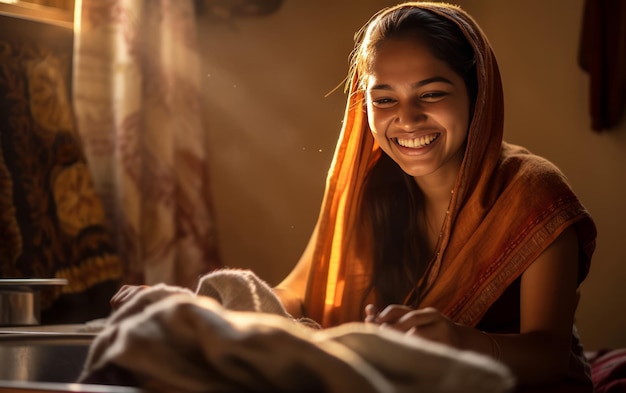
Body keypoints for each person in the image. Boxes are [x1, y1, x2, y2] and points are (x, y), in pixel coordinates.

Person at [112, 2, 596, 392]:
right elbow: (300, 291)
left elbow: (550, 355)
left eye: (431, 94)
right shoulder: (370, 188)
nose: (406, 119)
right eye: (384, 99)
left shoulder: (530, 192)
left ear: (478, 94)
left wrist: (461, 341)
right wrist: (196, 309)